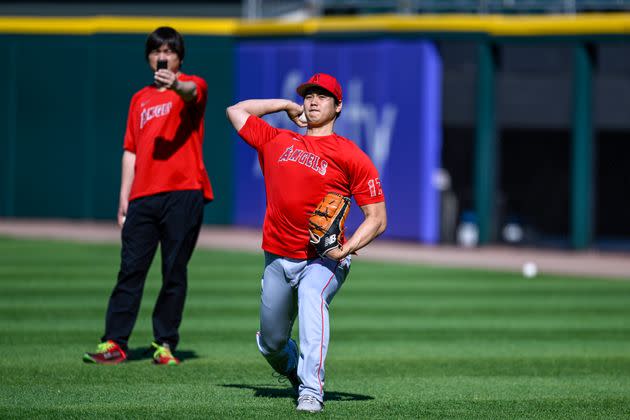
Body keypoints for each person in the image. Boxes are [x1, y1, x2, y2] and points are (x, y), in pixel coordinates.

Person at [226, 73, 387, 412]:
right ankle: (294, 369)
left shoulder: (350, 155)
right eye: (308, 95)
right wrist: (284, 105)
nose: (313, 101)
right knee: (271, 344)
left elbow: (377, 218)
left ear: (338, 106)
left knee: (311, 295)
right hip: (277, 256)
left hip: (323, 258)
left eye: (323, 96)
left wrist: (345, 250)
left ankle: (312, 390)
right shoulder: (277, 140)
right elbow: (236, 110)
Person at [83, 26, 213, 366]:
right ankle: (114, 342)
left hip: (184, 192)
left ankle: (165, 344)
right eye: (157, 50)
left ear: (179, 57)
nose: (163, 55)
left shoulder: (192, 85)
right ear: (149, 58)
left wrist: (176, 83)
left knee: (174, 271)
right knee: (130, 270)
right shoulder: (139, 99)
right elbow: (130, 150)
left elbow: (189, 92)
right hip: (142, 196)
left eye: (169, 50)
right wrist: (123, 196)